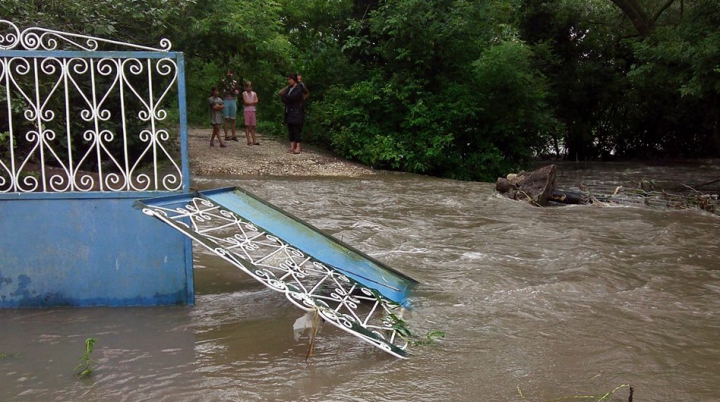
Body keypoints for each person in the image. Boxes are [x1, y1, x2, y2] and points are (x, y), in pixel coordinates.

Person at [280, 74, 305, 154]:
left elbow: (293, 97)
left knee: (296, 129)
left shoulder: (299, 88)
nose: (289, 81)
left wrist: (286, 96)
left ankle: (298, 147)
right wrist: (287, 97)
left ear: (294, 80)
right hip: (288, 110)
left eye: (290, 79)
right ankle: (292, 146)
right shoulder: (289, 88)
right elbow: (283, 97)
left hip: (296, 111)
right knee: (290, 128)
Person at [220, 69, 240, 141]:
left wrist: (236, 92)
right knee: (226, 118)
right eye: (228, 73)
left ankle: (234, 135)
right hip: (226, 100)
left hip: (233, 100)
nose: (230, 74)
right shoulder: (223, 81)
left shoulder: (235, 82)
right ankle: (226, 135)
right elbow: (221, 91)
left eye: (231, 73)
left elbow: (237, 91)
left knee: (233, 118)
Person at [242, 81, 259, 146]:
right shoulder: (244, 93)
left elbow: (256, 101)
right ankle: (248, 140)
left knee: (253, 126)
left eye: (250, 87)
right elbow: (246, 102)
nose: (249, 88)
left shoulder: (254, 93)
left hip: (253, 110)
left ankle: (254, 140)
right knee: (247, 125)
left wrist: (250, 102)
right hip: (247, 110)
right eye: (248, 87)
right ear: (246, 87)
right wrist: (252, 102)